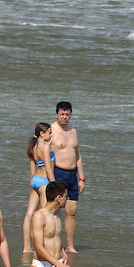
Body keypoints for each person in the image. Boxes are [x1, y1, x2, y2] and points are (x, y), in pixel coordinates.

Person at [50, 101, 86, 253]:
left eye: (67, 114)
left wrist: (81, 178)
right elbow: (45, 156)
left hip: (72, 175)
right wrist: (50, 179)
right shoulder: (51, 130)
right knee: (55, 210)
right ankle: (56, 244)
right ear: (57, 114)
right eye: (62, 114)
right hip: (58, 173)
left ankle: (70, 246)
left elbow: (77, 155)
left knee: (72, 211)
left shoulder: (73, 131)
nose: (64, 117)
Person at [22, 122, 54, 253]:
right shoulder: (44, 146)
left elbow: (32, 170)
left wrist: (32, 184)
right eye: (49, 132)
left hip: (35, 180)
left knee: (29, 214)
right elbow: (48, 167)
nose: (51, 135)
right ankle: (42, 246)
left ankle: (26, 247)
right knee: (45, 214)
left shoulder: (33, 147)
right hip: (44, 181)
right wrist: (54, 184)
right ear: (42, 133)